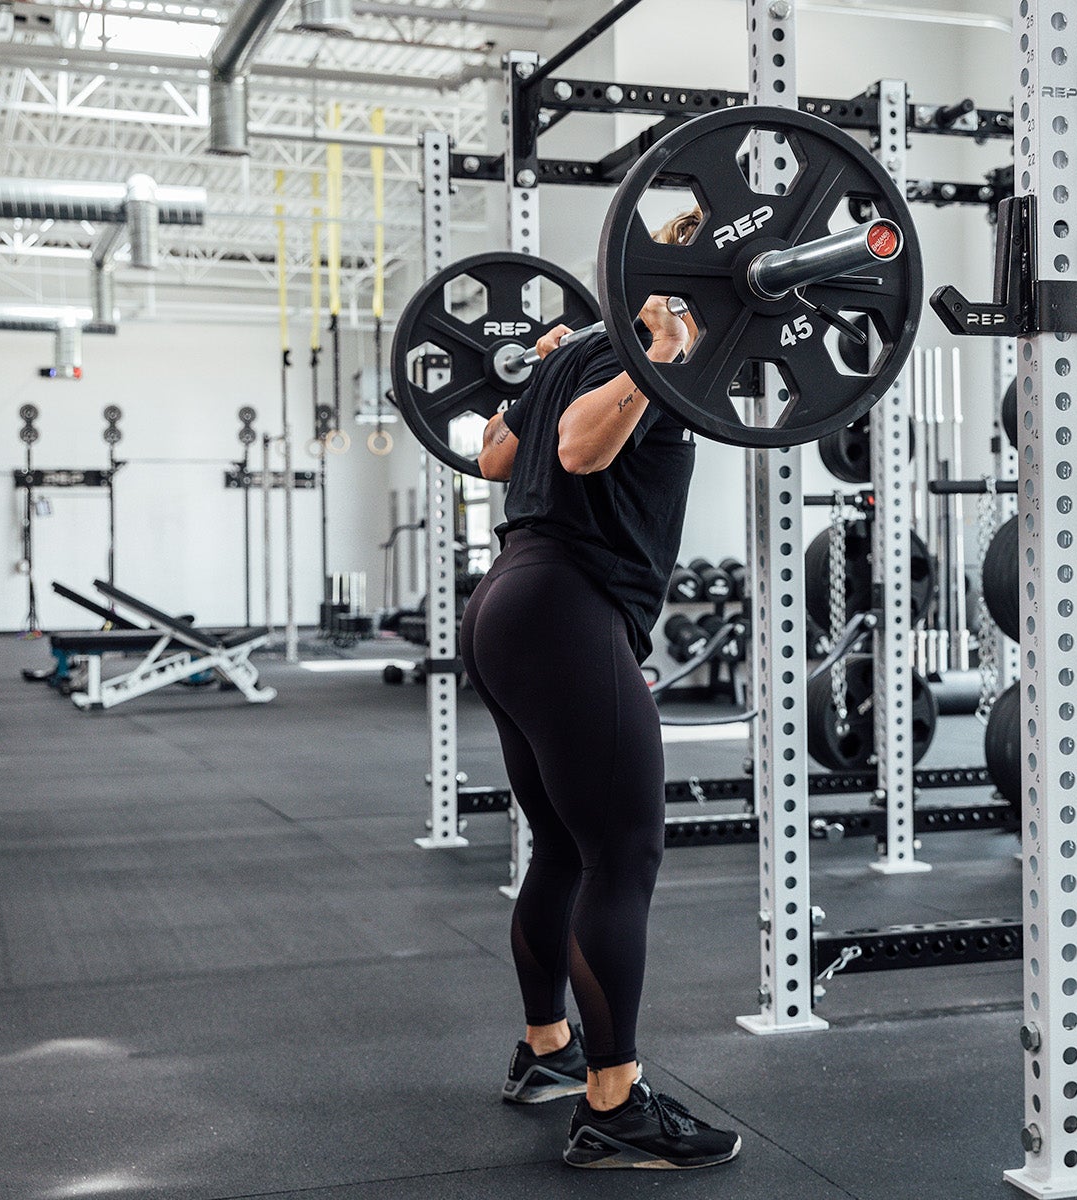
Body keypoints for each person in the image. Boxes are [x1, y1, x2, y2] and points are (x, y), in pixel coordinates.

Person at [460, 208, 741, 1171]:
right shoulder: (642, 351)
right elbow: (581, 450)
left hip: (508, 599)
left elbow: (493, 456)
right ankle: (614, 1106)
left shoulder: (575, 346)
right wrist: (660, 358)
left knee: (566, 847)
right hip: (564, 609)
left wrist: (542, 377)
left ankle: (547, 1050)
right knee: (624, 853)